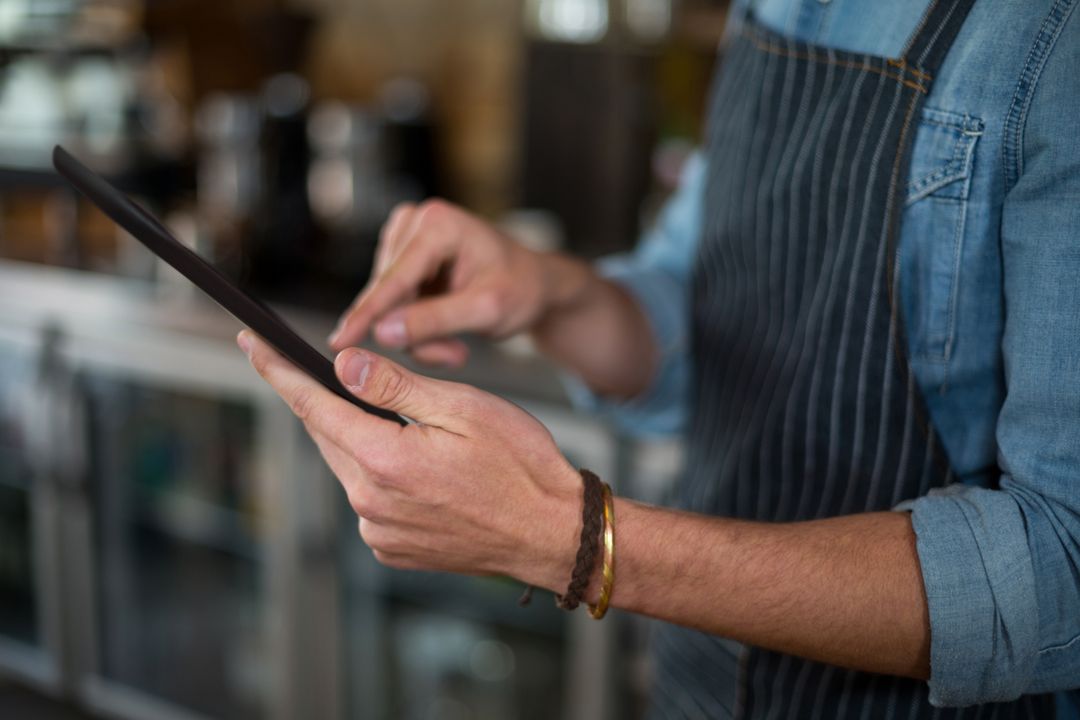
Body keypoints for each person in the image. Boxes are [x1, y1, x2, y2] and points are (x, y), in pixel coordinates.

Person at [237, 0, 1080, 715]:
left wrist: (569, 538)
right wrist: (548, 290)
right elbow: (698, 310)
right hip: (701, 683)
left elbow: (1063, 568)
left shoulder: (1051, 39)